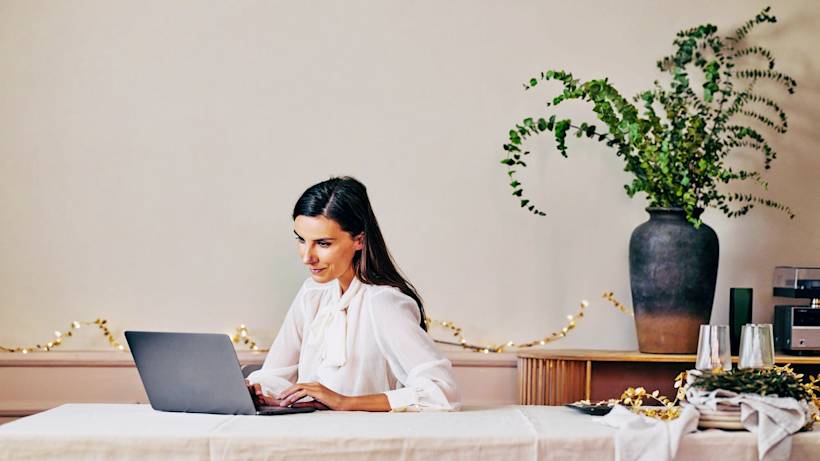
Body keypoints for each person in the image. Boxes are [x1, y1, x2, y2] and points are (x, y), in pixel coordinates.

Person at [246, 176, 461, 412]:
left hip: (369, 440)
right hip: (311, 436)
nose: (307, 257)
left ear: (359, 240)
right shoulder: (312, 294)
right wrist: (257, 391)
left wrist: (343, 402)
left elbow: (442, 391)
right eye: (301, 240)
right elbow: (274, 375)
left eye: (323, 243)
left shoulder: (383, 302)